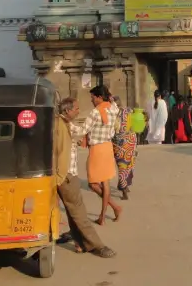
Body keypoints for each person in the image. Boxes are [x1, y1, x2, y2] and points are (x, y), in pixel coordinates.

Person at [54, 97, 115, 258]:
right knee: (79, 212)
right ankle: (96, 245)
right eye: (76, 108)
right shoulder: (62, 125)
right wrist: (96, 116)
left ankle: (80, 242)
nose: (78, 111)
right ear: (67, 111)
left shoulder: (63, 124)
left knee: (72, 210)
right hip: (66, 173)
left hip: (64, 173)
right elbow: (80, 133)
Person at [71, 85, 122, 225]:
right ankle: (105, 215)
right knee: (105, 183)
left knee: (93, 184)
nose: (92, 100)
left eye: (93, 97)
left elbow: (83, 129)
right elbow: (114, 104)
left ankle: (112, 209)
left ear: (99, 97)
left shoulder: (95, 112)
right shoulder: (113, 109)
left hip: (97, 149)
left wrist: (67, 124)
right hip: (107, 147)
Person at [111, 95, 138, 201]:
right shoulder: (129, 111)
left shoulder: (113, 114)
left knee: (122, 165)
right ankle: (124, 183)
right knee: (128, 164)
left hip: (120, 143)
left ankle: (124, 189)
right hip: (131, 140)